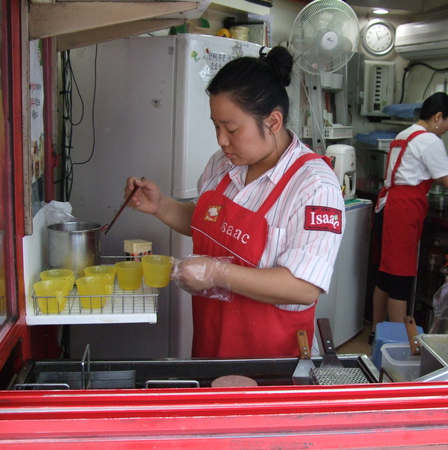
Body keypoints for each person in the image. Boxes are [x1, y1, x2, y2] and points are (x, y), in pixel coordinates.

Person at [124, 46, 345, 358]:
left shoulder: (314, 186)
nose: (221, 140)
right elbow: (208, 223)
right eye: (216, 126)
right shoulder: (222, 164)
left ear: (273, 122)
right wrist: (161, 205)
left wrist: (217, 273)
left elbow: (303, 286)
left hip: (270, 357)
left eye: (231, 129)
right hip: (210, 343)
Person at [369, 92, 448, 344]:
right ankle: (398, 342)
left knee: (385, 276)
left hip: (387, 206)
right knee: (400, 279)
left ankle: (377, 332)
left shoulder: (404, 134)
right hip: (404, 210)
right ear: (437, 117)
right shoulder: (430, 141)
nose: (447, 128)